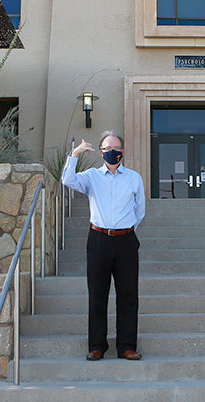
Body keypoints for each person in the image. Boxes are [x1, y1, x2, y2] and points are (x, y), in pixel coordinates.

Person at [63, 131, 146, 361]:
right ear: (101, 152)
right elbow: (67, 180)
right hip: (98, 240)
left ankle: (127, 346)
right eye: (108, 148)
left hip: (126, 241)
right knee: (97, 294)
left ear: (123, 151)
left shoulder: (133, 178)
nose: (113, 152)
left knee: (128, 295)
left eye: (116, 148)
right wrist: (75, 154)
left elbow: (140, 211)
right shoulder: (91, 177)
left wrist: (125, 231)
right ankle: (97, 345)